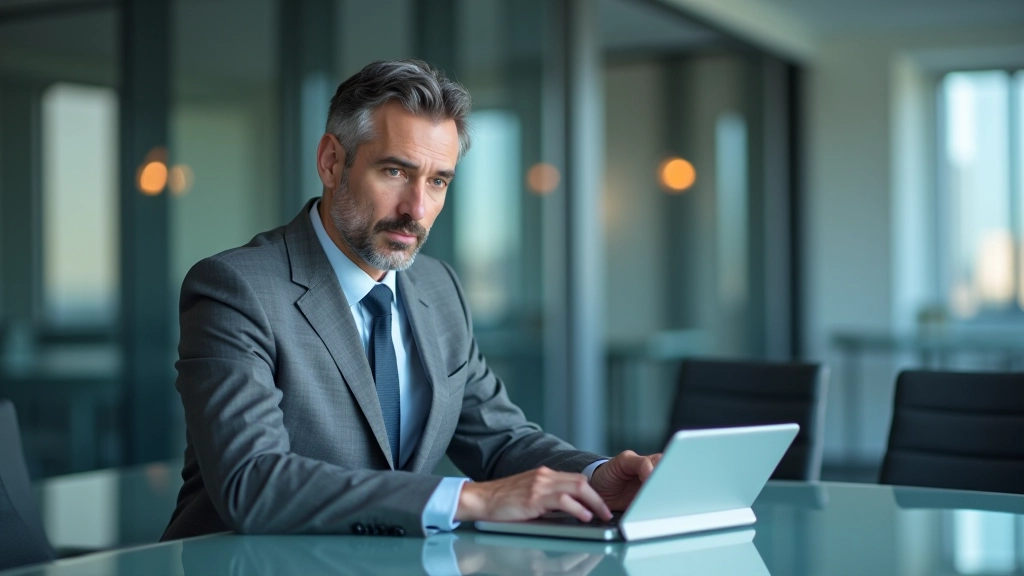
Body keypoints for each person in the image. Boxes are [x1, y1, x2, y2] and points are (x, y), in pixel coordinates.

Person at [162, 59, 660, 540]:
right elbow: (251, 481)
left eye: (438, 181)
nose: (416, 209)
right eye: (395, 172)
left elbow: (499, 439)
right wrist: (472, 499)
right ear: (332, 162)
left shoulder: (439, 289)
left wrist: (594, 478)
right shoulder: (236, 287)